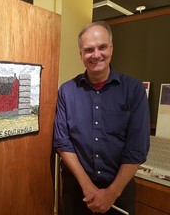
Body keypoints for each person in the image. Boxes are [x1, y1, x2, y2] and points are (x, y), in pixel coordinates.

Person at [53, 21, 150, 215]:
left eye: (102, 47)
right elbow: (62, 142)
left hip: (118, 194)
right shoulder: (66, 91)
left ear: (111, 48)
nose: (96, 55)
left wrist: (111, 193)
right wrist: (88, 187)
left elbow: (137, 148)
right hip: (76, 194)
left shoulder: (134, 89)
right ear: (81, 54)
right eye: (89, 50)